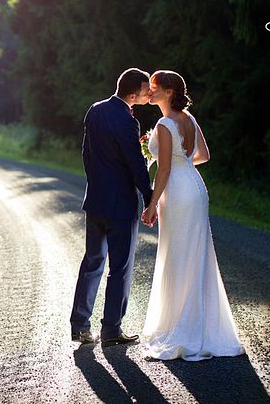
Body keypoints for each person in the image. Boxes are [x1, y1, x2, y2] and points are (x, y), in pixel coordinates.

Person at [141, 70, 245, 360]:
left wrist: (151, 204)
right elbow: (203, 156)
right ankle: (200, 326)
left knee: (178, 255)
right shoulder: (189, 119)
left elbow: (163, 170)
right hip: (195, 186)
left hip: (177, 191)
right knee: (195, 254)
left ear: (169, 91)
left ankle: (184, 328)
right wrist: (179, 160)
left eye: (154, 87)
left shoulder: (164, 124)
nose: (149, 91)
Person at [70, 68, 155, 346]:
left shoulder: (95, 110)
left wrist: (95, 181)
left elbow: (86, 153)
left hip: (95, 200)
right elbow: (135, 163)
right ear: (132, 94)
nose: (148, 95)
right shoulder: (128, 121)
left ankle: (80, 326)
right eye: (145, 91)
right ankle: (111, 330)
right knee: (120, 267)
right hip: (121, 205)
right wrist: (149, 195)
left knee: (92, 262)